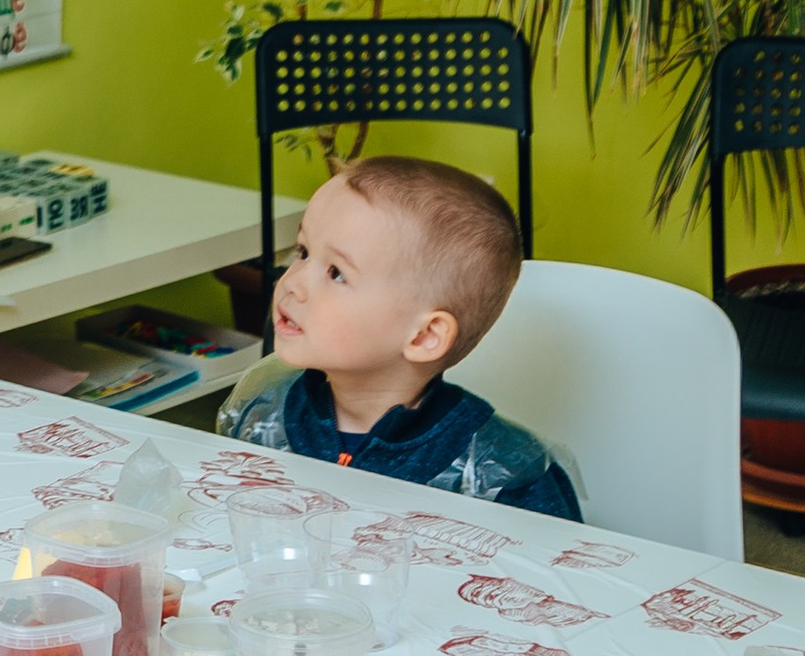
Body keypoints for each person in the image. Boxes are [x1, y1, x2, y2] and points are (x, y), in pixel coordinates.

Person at [219, 157, 580, 518]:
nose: (292, 282)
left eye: (336, 273)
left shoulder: (502, 475)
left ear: (424, 336)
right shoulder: (264, 409)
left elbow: (562, 570)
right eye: (303, 252)